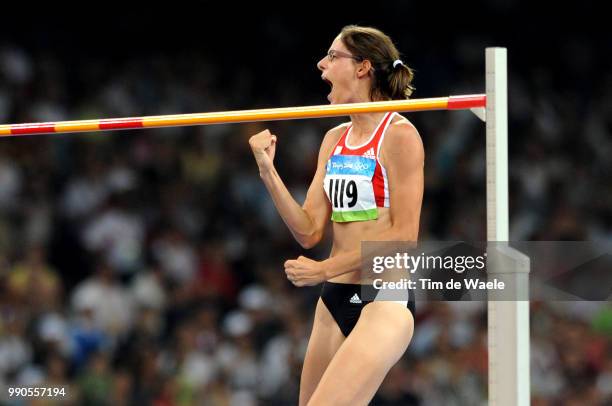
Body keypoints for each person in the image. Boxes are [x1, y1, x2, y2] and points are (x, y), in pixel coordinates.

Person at [249, 25, 423, 405]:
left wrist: (322, 269)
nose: (321, 64)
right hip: (335, 298)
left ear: (362, 68)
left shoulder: (399, 136)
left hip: (383, 297)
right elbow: (309, 231)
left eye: (332, 56)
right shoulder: (334, 140)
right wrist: (267, 171)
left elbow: (404, 237)